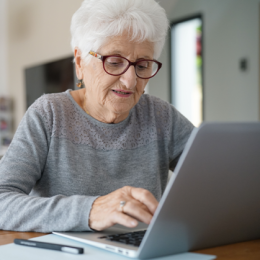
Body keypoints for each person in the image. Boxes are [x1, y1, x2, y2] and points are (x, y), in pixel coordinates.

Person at [0, 0, 194, 232]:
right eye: (114, 63)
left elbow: (221, 177)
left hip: (142, 251)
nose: (131, 81)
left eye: (142, 66)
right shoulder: (48, 114)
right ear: (81, 63)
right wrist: (90, 210)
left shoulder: (162, 117)